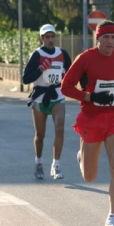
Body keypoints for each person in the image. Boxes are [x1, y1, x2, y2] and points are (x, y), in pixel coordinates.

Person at [61, 20, 114, 226]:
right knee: (89, 176)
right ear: (98, 38)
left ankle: (112, 218)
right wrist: (90, 96)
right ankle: (82, 155)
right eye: (106, 37)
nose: (110, 41)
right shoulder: (85, 58)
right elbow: (66, 86)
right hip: (91, 118)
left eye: (113, 37)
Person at [23, 24, 71, 180]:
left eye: (52, 36)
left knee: (60, 128)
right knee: (40, 134)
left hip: (57, 94)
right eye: (47, 37)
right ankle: (39, 162)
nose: (50, 40)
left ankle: (56, 165)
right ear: (41, 38)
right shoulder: (36, 55)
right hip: (40, 96)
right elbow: (25, 79)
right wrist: (40, 69)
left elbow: (72, 74)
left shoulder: (62, 54)